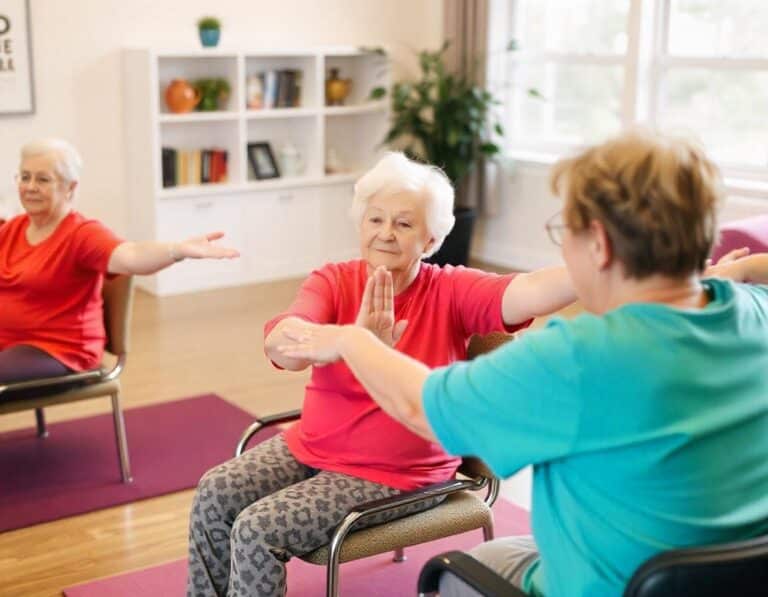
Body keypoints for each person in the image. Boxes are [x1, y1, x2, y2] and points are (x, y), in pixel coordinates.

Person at [277, 131, 768, 596]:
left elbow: (421, 407)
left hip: (614, 585)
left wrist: (351, 340)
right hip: (736, 577)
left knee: (462, 572)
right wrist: (742, 270)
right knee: (504, 550)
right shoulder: (754, 312)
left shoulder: (577, 357)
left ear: (598, 245)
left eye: (566, 232)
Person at [186, 152, 578, 597]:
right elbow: (285, 343)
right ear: (360, 225)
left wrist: (597, 267)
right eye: (375, 219)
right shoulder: (333, 280)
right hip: (314, 445)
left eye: (404, 224)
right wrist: (352, 339)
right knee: (214, 492)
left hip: (398, 470)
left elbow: (527, 292)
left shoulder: (451, 290)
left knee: (257, 529)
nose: (385, 234)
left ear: (430, 239)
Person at [0, 138, 239, 385]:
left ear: (70, 187)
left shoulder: (82, 234)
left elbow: (132, 256)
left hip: (58, 348)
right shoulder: (13, 228)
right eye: (25, 177)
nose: (30, 187)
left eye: (43, 179)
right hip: (10, 340)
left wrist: (177, 250)